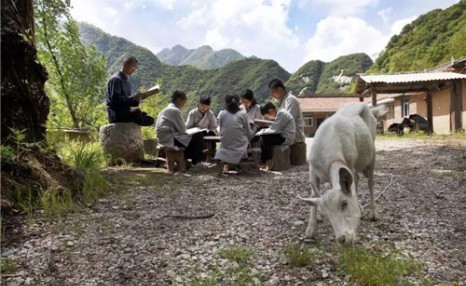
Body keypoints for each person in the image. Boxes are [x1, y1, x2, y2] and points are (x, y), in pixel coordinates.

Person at [156, 91, 204, 168]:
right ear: (179, 100)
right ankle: (196, 162)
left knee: (190, 138)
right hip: (170, 140)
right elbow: (183, 130)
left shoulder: (164, 110)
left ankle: (186, 160)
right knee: (198, 135)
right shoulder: (175, 110)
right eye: (184, 102)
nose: (184, 105)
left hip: (162, 139)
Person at [105, 56, 158, 126]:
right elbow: (115, 100)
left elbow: (128, 102)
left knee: (148, 118)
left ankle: (141, 117)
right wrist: (133, 98)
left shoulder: (127, 82)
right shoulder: (116, 79)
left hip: (125, 111)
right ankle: (140, 118)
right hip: (116, 114)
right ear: (125, 64)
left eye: (135, 68)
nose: (134, 70)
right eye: (133, 67)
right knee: (137, 113)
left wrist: (138, 98)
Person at [215, 94, 253, 171]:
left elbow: (221, 131)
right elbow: (248, 132)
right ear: (239, 104)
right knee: (247, 140)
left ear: (225, 103)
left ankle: (229, 164)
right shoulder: (243, 113)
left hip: (226, 144)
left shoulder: (222, 113)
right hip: (240, 145)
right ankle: (243, 164)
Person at [257, 102, 296, 170]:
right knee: (262, 137)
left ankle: (268, 162)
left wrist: (261, 132)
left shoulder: (282, 113)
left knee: (265, 139)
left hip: (286, 137)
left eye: (267, 116)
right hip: (281, 134)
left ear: (270, 111)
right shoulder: (280, 113)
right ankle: (263, 161)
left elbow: (275, 129)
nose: (269, 118)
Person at [268, 79, 305, 144]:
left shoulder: (290, 100)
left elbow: (288, 120)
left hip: (295, 137)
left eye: (273, 92)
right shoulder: (283, 101)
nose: (272, 95)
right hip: (287, 135)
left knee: (267, 140)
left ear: (279, 89)